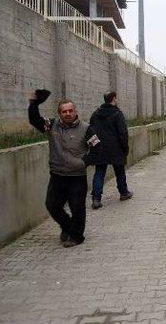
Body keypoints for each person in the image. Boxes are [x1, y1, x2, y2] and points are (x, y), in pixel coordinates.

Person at [28, 90, 99, 247]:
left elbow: (98, 148)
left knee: (77, 207)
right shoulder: (52, 125)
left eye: (70, 110)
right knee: (52, 205)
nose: (67, 114)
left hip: (77, 177)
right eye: (64, 111)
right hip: (57, 175)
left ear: (75, 111)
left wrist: (84, 162)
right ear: (59, 113)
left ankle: (76, 237)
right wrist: (34, 104)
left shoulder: (86, 129)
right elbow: (34, 120)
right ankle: (67, 227)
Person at [89, 91, 132, 209]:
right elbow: (123, 133)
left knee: (99, 173)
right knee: (119, 171)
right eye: (116, 98)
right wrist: (125, 148)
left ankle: (96, 199)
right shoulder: (117, 114)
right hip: (116, 149)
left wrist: (93, 147)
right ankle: (124, 193)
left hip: (100, 149)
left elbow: (90, 132)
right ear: (114, 99)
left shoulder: (95, 114)